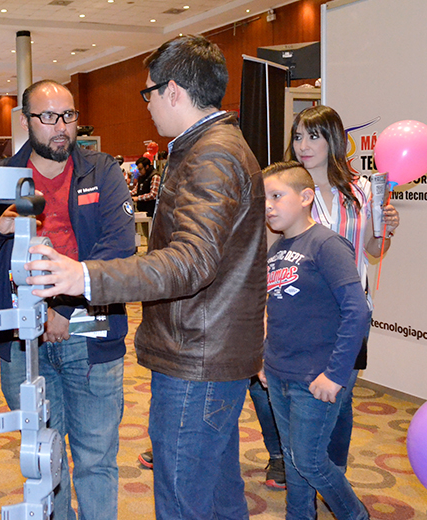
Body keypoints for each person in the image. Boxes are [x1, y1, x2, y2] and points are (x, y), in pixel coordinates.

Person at [23, 35, 266, 519]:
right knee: (217, 494)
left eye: (149, 92)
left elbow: (189, 262)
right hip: (208, 351)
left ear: (173, 91)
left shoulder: (211, 155)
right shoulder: (212, 147)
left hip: (196, 357)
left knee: (183, 500)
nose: (149, 104)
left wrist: (85, 276)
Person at [0, 79, 134, 520]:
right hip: (22, 341)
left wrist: (62, 309)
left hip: (90, 335)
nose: (61, 128)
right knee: (43, 459)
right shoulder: (2, 175)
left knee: (95, 458)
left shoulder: (102, 170)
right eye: (49, 117)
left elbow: (119, 246)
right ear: (25, 121)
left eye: (69, 116)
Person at [286, 105, 400, 471]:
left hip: (350, 311)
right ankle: (301, 468)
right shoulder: (286, 191)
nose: (303, 145)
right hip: (299, 311)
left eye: (313, 136)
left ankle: (332, 473)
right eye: (298, 136)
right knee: (300, 398)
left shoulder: (362, 191)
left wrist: (388, 229)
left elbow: (373, 251)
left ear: (333, 140)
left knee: (340, 398)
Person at [260, 161, 370, 520]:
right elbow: (275, 312)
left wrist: (336, 374)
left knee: (309, 460)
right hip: (279, 373)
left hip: (317, 376)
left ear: (306, 197)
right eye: (265, 198)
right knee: (294, 459)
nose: (269, 206)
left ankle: (356, 515)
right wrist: (265, 361)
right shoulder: (276, 250)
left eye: (277, 195)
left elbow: (357, 311)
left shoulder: (326, 243)